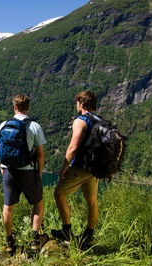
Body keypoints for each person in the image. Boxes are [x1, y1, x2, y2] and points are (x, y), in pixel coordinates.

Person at [0, 94, 48, 255]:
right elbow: (40, 154)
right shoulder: (34, 126)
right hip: (27, 172)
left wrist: (2, 167)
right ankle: (35, 241)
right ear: (27, 107)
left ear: (14, 107)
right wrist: (38, 172)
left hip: (8, 172)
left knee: (8, 208)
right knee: (38, 204)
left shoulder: (4, 124)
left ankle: (10, 242)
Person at [52, 90, 99, 249]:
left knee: (59, 193)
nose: (76, 105)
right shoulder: (100, 121)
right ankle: (88, 235)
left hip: (81, 166)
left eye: (77, 102)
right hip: (95, 169)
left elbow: (72, 147)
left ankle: (66, 231)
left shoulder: (81, 121)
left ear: (82, 103)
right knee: (91, 200)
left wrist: (64, 167)